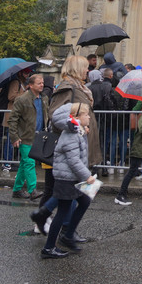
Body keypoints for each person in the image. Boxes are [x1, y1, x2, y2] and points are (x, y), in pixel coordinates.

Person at [41, 102, 97, 260]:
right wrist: (87, 176)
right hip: (66, 179)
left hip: (72, 178)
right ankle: (49, 247)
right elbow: (74, 161)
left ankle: (68, 235)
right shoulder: (71, 135)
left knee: (85, 202)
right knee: (62, 213)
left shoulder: (76, 131)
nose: (88, 117)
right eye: (86, 114)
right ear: (77, 117)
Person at [8, 74, 50, 200]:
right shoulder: (22, 99)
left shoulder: (44, 98)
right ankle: (32, 190)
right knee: (29, 162)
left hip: (39, 135)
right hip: (26, 136)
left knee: (24, 163)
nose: (42, 85)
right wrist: (14, 137)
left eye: (42, 83)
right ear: (30, 85)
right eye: (39, 83)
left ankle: (17, 189)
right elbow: (13, 120)